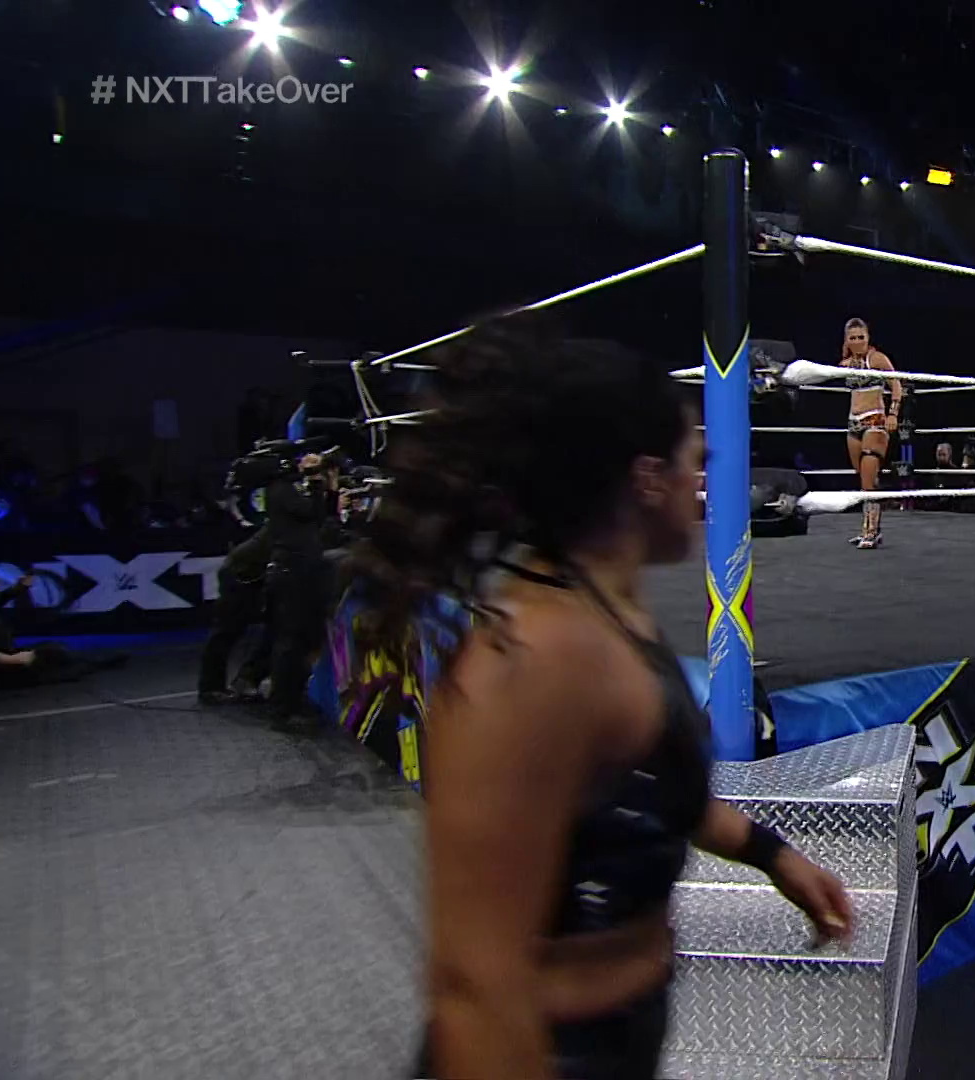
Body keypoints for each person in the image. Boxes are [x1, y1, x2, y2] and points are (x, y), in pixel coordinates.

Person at [347, 316, 855, 1079]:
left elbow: (648, 789)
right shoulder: (536, 658)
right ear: (647, 478)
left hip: (620, 1035)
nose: (704, 485)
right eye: (695, 461)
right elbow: (474, 985)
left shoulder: (607, 611)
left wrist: (773, 856)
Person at [262, 448, 341, 725]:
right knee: (290, 640)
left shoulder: (292, 490)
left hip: (304, 571)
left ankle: (295, 699)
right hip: (291, 571)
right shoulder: (281, 490)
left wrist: (330, 487)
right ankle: (282, 707)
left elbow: (321, 516)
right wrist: (317, 483)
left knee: (304, 639)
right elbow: (309, 511)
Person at [838, 317, 903, 549]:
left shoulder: (876, 358)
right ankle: (871, 528)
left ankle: (871, 531)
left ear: (868, 338)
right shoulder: (845, 364)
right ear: (847, 340)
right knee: (866, 479)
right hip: (853, 423)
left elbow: (896, 384)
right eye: (853, 338)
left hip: (875, 421)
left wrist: (893, 413)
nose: (857, 341)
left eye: (861, 337)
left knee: (867, 482)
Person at [197, 525, 275, 705]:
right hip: (240, 575)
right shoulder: (287, 526)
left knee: (277, 629)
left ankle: (245, 679)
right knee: (226, 631)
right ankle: (211, 688)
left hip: (253, 575)